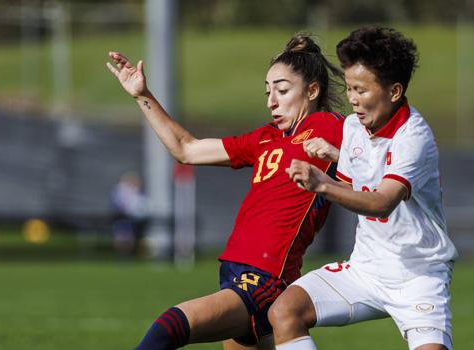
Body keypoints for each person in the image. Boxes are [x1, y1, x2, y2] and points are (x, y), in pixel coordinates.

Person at [106, 34, 344, 350]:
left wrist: (340, 158)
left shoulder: (330, 127)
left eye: (282, 90)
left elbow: (377, 166)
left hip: (265, 278)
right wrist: (141, 95)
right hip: (233, 273)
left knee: (171, 324)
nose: (271, 100)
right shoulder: (265, 138)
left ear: (312, 90)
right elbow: (186, 149)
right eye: (268, 90)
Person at [268, 27, 458, 350]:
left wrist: (321, 184)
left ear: (394, 91)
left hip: (419, 276)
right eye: (349, 88)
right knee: (284, 312)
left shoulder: (414, 137)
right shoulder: (354, 127)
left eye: (361, 90)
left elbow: (383, 201)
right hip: (365, 270)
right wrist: (336, 158)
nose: (352, 99)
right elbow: (353, 185)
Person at [110, 171, 148, 257]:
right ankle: (122, 254)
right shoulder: (120, 190)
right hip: (122, 218)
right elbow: (120, 204)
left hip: (133, 219)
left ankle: (128, 254)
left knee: (130, 237)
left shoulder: (135, 192)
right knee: (122, 237)